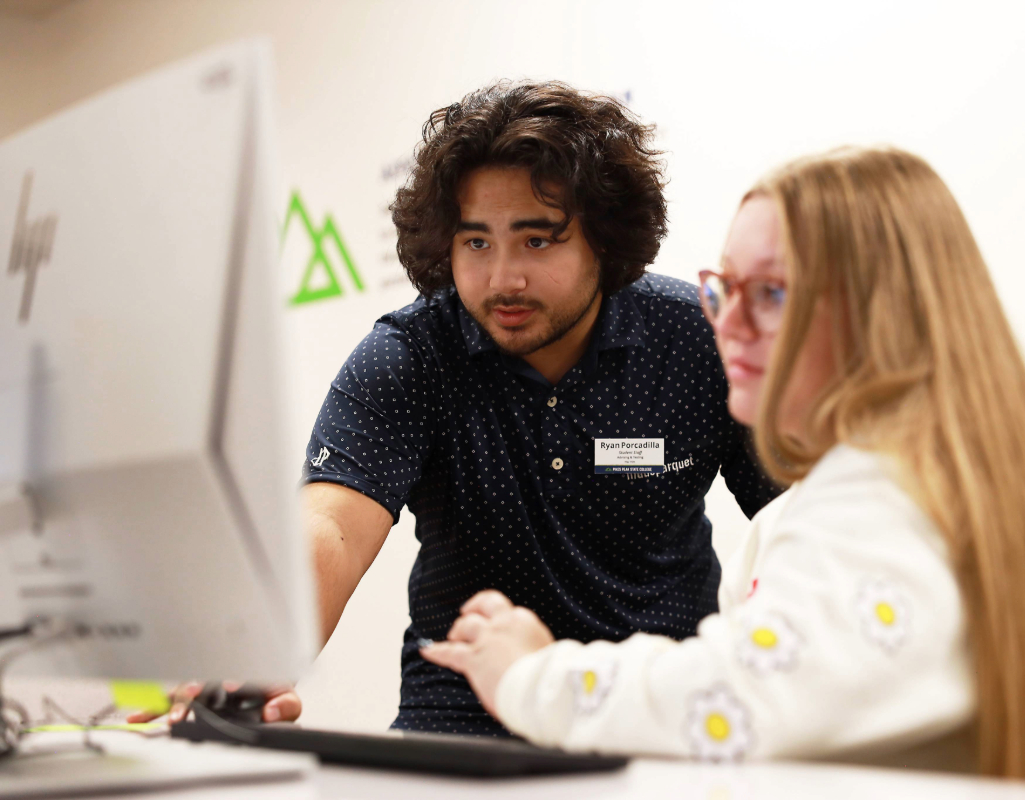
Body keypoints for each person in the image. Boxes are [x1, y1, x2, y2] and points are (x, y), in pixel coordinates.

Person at [422, 147, 1025, 791]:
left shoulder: (881, 493)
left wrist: (532, 674)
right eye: (725, 290)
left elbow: (735, 701)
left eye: (777, 294)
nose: (731, 326)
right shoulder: (988, 484)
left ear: (891, 309)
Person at [133, 81, 781, 735]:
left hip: (653, 716)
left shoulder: (700, 340)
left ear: (605, 241)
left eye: (537, 241)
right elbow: (331, 524)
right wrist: (256, 662)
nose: (503, 278)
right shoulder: (411, 355)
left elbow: (799, 519)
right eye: (476, 243)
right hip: (460, 723)